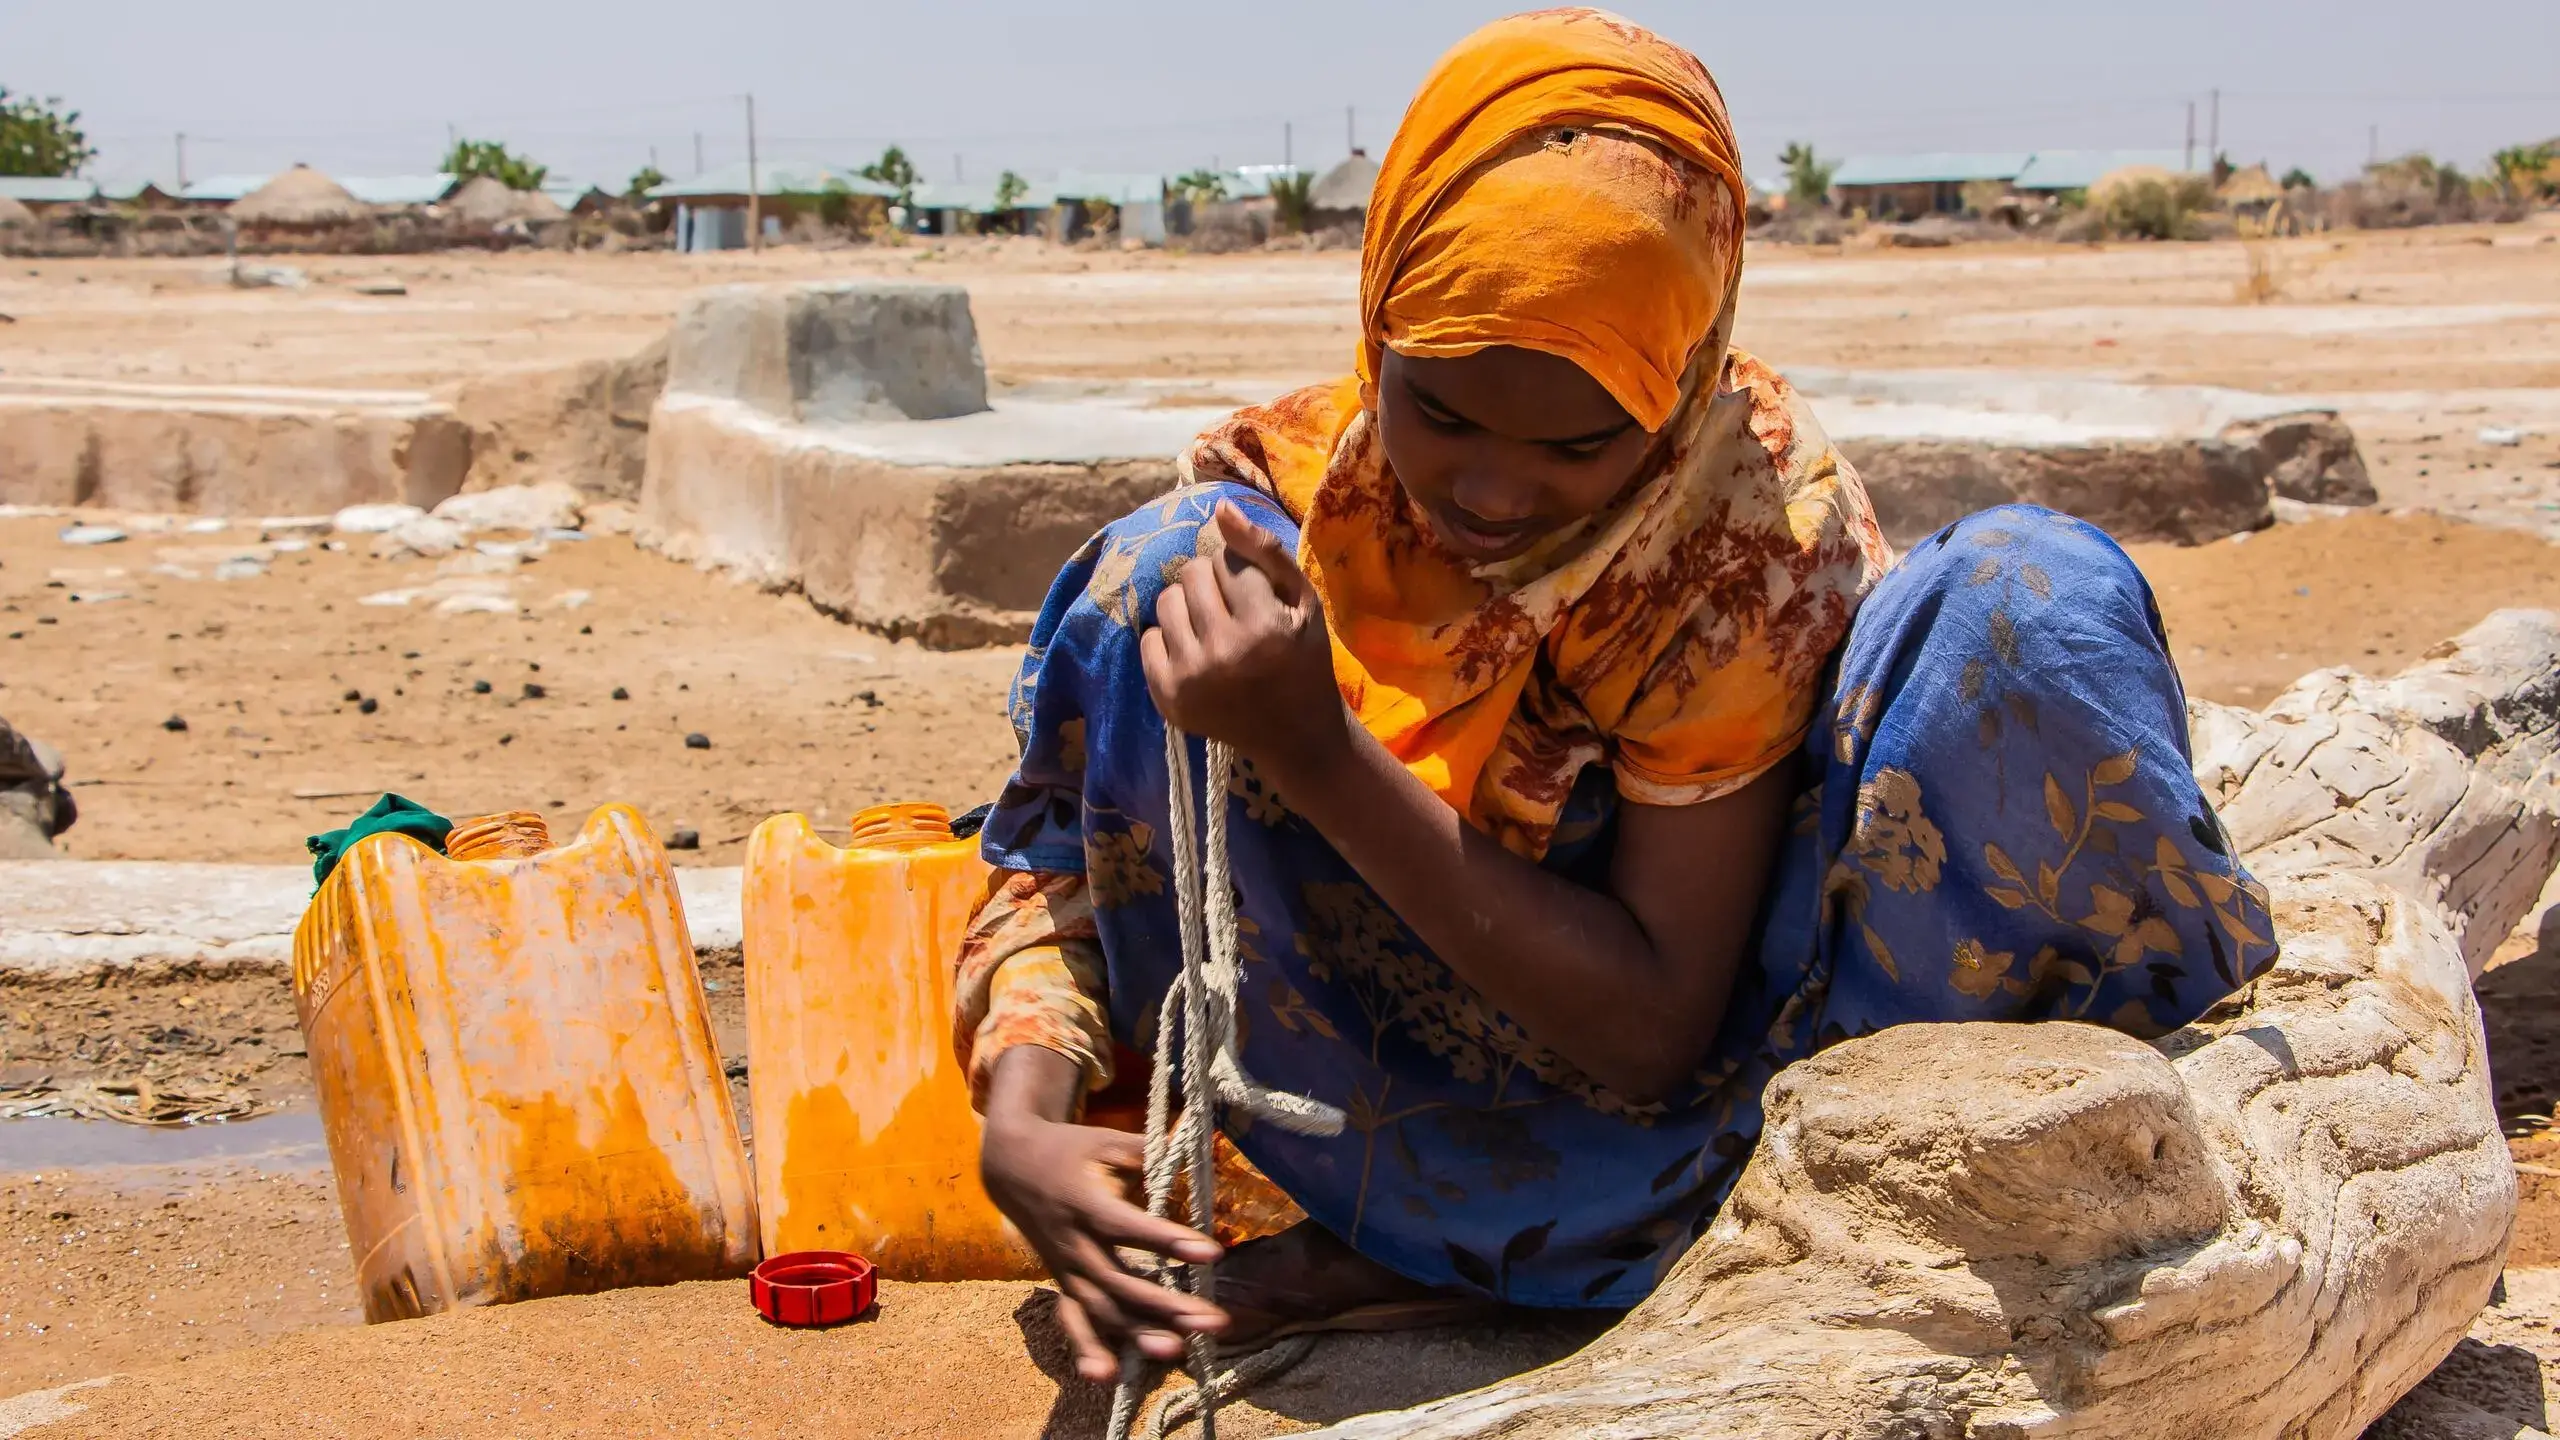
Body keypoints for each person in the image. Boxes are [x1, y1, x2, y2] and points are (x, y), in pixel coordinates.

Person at [956, 8, 2278, 1385]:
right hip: (1416, 1109)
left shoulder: (1744, 548)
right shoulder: (1297, 513)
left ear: (1681, 380)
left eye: (1582, 443)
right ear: (1377, 328)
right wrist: (1027, 1106)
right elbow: (1062, 864)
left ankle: (1756, 1224)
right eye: (1442, 412)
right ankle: (1423, 1225)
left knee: (2029, 606)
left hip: (1775, 1093)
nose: (1491, 491)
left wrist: (1320, 750)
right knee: (1154, 581)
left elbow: (1655, 1034)